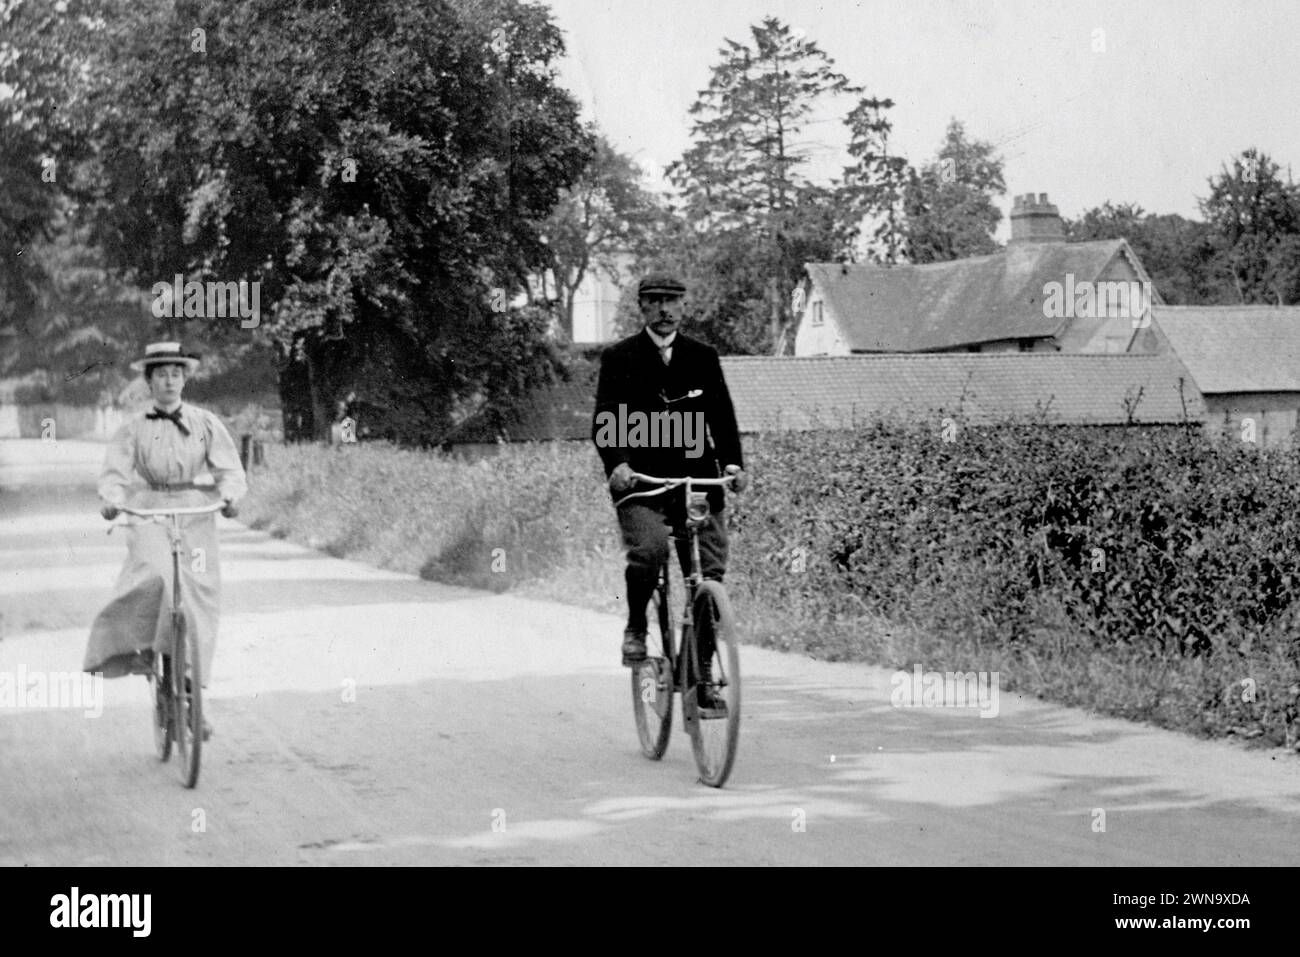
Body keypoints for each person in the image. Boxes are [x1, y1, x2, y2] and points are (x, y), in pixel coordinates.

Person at [592, 273, 748, 705]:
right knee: (651, 550)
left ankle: (699, 682)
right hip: (642, 484)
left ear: (683, 307)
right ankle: (637, 626)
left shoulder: (703, 356)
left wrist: (733, 464)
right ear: (641, 307)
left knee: (709, 579)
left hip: (696, 483)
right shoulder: (620, 357)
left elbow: (723, 417)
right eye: (655, 301)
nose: (664, 310)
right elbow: (605, 420)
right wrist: (618, 463)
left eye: (672, 302)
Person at [84, 342, 247, 739]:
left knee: (199, 596)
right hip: (150, 508)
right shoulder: (133, 426)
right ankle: (145, 653)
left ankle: (189, 693)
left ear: (185, 378)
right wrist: (113, 501)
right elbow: (114, 475)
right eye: (161, 374)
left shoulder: (206, 423)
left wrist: (229, 498)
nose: (169, 381)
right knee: (158, 576)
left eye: (176, 373)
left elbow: (230, 471)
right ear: (149, 380)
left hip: (194, 511)